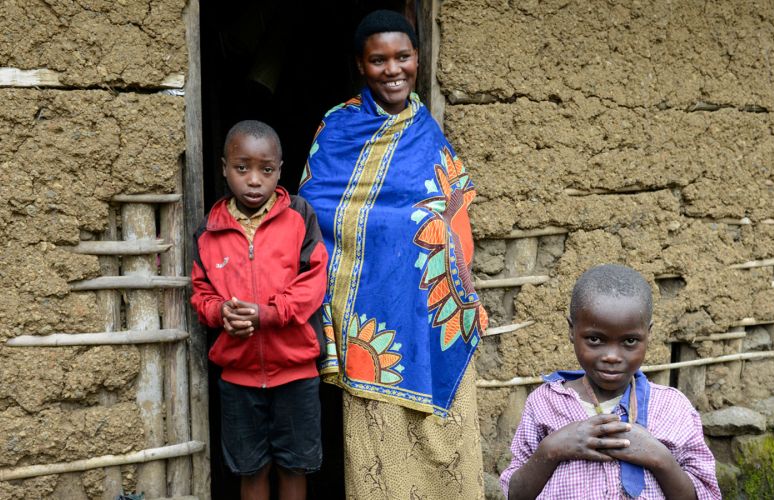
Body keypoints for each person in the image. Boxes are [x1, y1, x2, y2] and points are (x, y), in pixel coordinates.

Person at [298, 10, 489, 499]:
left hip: (430, 307)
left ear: (417, 59)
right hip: (371, 316)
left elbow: (452, 216)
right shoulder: (337, 127)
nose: (393, 69)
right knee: (380, 446)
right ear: (361, 66)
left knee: (443, 435)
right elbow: (315, 211)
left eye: (402, 57)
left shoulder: (428, 134)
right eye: (378, 60)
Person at [190, 120, 328, 500]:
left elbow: (314, 282)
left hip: (296, 373)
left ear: (279, 171)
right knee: (251, 470)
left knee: (294, 467)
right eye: (242, 168)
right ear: (223, 167)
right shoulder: (209, 231)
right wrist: (220, 314)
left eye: (265, 170)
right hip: (238, 378)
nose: (254, 180)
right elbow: (201, 293)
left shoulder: (299, 216)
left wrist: (268, 313)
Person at [500, 264, 721, 499]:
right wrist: (551, 449)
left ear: (649, 334)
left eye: (629, 341)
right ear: (572, 331)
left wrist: (661, 458)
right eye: (595, 339)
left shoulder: (672, 408)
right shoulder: (545, 403)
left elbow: (705, 494)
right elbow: (515, 494)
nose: (612, 356)